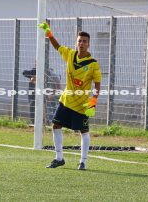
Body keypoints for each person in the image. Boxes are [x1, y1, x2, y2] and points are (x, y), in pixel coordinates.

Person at [38, 22, 101, 170]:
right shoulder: (70, 55)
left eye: (84, 41)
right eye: (79, 40)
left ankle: (83, 161)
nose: (82, 43)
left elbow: (97, 85)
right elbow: (57, 46)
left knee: (84, 131)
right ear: (76, 43)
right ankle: (59, 158)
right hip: (66, 100)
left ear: (89, 44)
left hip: (81, 104)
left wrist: (93, 102)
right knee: (55, 125)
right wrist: (48, 32)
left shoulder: (93, 64)